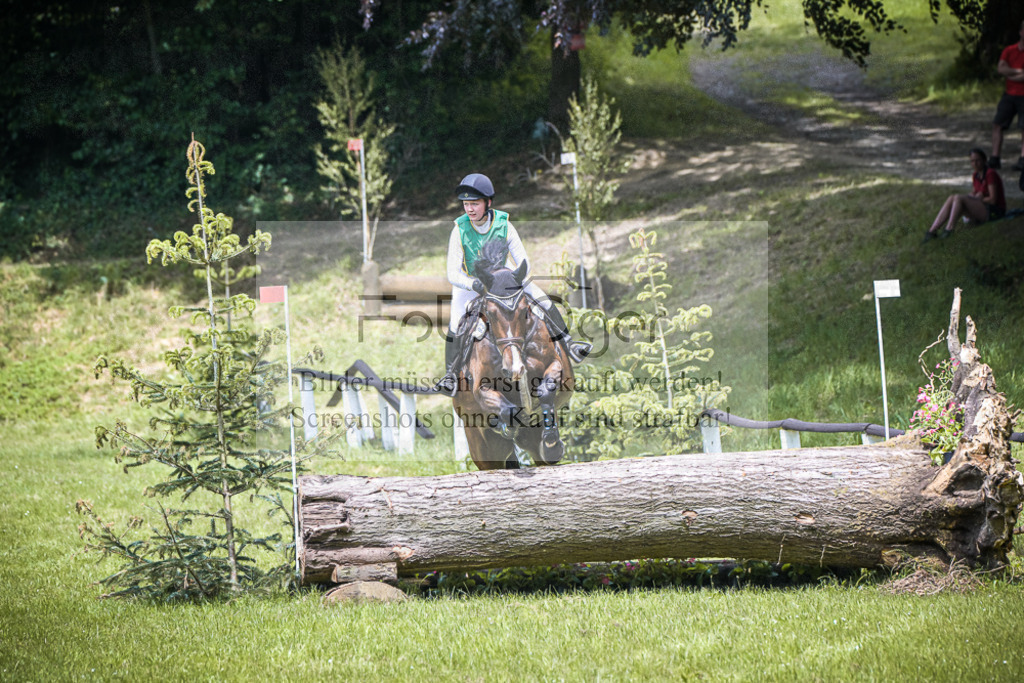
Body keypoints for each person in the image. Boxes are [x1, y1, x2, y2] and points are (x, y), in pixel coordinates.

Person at [434, 173, 591, 395]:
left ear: (488, 203)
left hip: (505, 281)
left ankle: (569, 344)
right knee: (455, 321)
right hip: (470, 283)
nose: (469, 209)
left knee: (543, 300)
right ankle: (450, 375)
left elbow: (523, 261)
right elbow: (452, 272)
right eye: (466, 204)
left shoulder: (504, 225)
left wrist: (514, 282)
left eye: (475, 204)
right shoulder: (458, 230)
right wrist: (474, 285)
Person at [923, 148, 1005, 242]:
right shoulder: (976, 175)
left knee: (958, 198)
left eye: (977, 160)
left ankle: (949, 229)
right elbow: (975, 192)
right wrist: (972, 197)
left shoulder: (990, 174)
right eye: (972, 161)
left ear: (984, 160)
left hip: (994, 211)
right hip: (982, 206)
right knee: (952, 198)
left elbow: (993, 199)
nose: (975, 164)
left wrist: (978, 199)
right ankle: (932, 230)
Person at [990, 20, 1024, 171]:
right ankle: (995, 157)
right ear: (1021, 32)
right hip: (1009, 94)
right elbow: (1001, 69)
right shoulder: (1009, 50)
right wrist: (1018, 72)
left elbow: (1006, 70)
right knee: (998, 124)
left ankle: (1023, 159)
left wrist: (1010, 72)